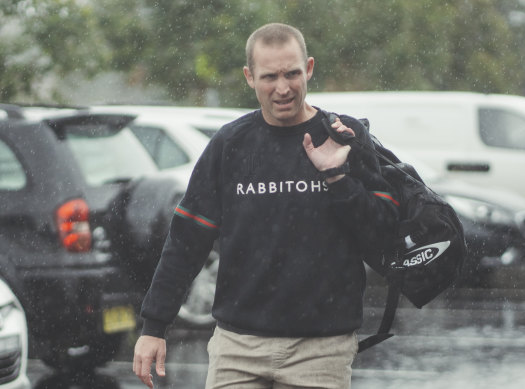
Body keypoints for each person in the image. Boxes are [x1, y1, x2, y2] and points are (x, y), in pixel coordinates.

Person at [133, 22, 400, 389]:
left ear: (308, 68)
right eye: (269, 76)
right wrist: (154, 325)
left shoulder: (344, 135)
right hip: (237, 346)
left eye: (292, 73)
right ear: (249, 77)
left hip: (321, 349)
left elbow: (383, 234)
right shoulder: (231, 144)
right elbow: (186, 240)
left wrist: (338, 180)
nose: (282, 88)